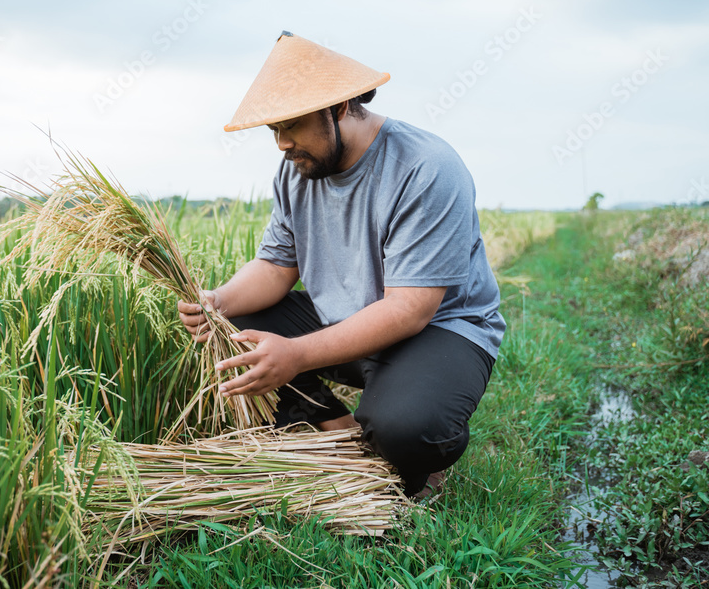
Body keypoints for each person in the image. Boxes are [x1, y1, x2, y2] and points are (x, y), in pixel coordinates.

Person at [176, 31, 506, 498]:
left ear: (340, 108)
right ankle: (337, 425)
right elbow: (274, 266)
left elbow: (410, 310)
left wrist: (296, 355)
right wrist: (217, 300)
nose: (282, 144)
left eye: (291, 125)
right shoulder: (299, 170)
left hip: (438, 330)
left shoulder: (426, 167)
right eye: (274, 130)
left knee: (406, 429)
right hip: (347, 319)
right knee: (232, 324)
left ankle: (418, 449)